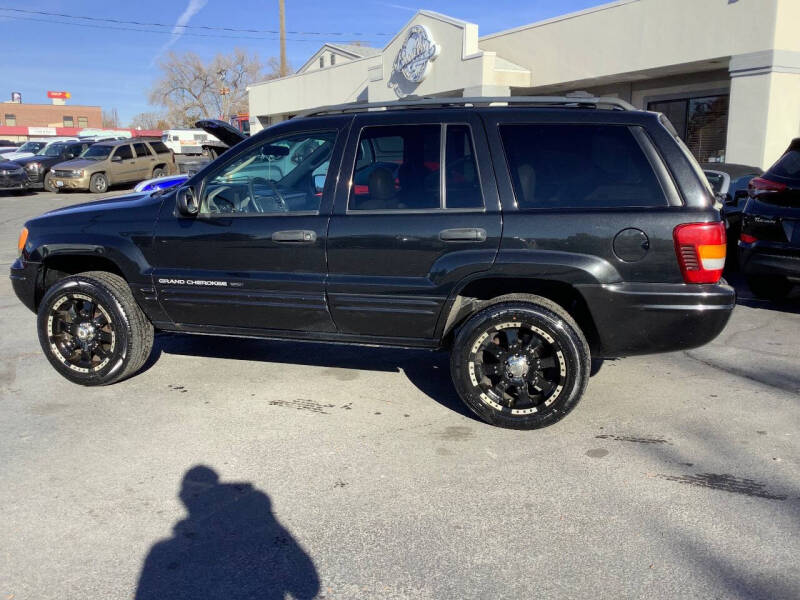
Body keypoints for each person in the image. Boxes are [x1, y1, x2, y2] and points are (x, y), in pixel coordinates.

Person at [136, 465, 319, 600]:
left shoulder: (166, 552)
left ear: (183, 498)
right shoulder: (265, 539)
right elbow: (307, 587)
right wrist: (273, 527)